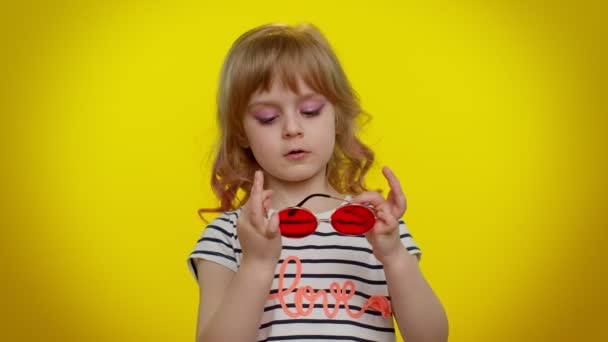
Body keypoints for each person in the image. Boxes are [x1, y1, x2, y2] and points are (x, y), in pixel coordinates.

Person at [187, 22, 448, 342]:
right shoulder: (229, 234)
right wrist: (256, 264)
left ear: (336, 118)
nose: (292, 128)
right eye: (268, 117)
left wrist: (394, 256)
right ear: (241, 132)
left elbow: (431, 337)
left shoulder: (378, 228)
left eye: (310, 110)